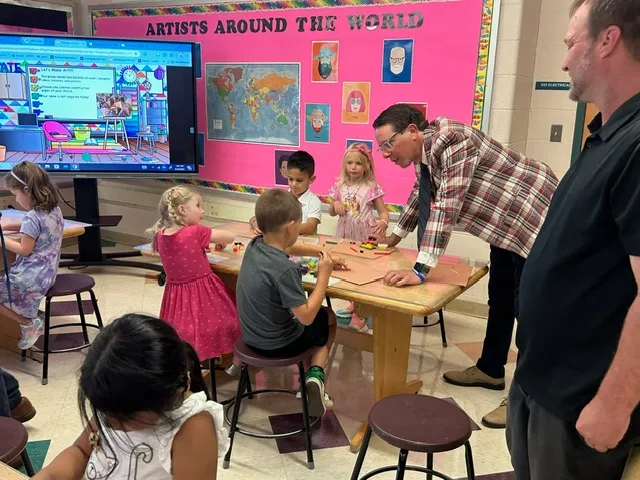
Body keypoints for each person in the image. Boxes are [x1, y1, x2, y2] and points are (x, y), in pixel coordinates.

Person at [508, 1, 640, 478]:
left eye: (570, 44)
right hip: (542, 381)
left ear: (608, 41)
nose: (563, 61)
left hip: (582, 400)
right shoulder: (608, 132)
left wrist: (615, 402)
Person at [369, 104, 558, 428]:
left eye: (388, 144)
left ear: (412, 131)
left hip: (532, 220)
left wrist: (420, 269)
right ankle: (490, 369)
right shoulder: (424, 155)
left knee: (528, 312)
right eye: (381, 147)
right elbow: (421, 195)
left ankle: (524, 399)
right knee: (498, 298)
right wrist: (394, 237)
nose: (385, 153)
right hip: (505, 227)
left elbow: (447, 205)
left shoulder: (453, 141)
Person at [33, 314, 228, 480]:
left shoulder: (193, 427)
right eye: (103, 412)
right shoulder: (116, 399)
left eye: (124, 418)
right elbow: (81, 450)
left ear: (164, 398)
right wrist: (48, 475)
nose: (107, 424)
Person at [237, 188, 338, 418]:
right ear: (291, 227)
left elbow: (288, 246)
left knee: (308, 319)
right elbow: (306, 317)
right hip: (279, 344)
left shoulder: (255, 245)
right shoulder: (285, 269)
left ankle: (309, 380)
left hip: (249, 336)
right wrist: (324, 275)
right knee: (327, 318)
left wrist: (320, 251)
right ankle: (315, 376)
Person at [147, 186, 241, 374]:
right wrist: (213, 240)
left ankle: (198, 362)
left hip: (176, 300)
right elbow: (230, 237)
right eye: (198, 205)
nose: (203, 211)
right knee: (237, 316)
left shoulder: (160, 236)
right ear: (182, 210)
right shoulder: (195, 232)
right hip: (205, 295)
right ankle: (235, 361)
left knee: (189, 329)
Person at [0, 161, 64, 350]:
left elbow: (24, 249)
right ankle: (32, 314)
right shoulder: (54, 209)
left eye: (15, 194)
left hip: (30, 278)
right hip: (48, 275)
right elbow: (36, 230)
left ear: (26, 190)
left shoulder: (32, 217)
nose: (17, 200)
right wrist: (6, 227)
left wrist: (1, 240)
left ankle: (28, 322)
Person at [328, 142, 389, 332]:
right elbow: (331, 212)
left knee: (363, 271)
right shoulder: (339, 186)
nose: (353, 167)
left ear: (367, 166)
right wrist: (335, 204)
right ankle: (355, 304)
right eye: (350, 163)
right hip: (345, 233)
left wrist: (383, 223)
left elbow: (384, 212)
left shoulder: (371, 187)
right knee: (348, 269)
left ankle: (360, 310)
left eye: (358, 163)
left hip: (364, 234)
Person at [250, 150, 322, 236]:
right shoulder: (281, 197)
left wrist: (278, 229)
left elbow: (310, 227)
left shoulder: (314, 202)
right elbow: (258, 218)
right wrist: (256, 223)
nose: (294, 184)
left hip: (303, 246)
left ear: (311, 179)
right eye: (290, 179)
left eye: (299, 180)